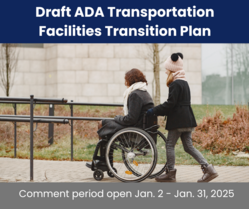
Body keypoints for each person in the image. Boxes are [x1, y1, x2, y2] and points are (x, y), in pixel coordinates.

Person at [146, 52, 218, 183]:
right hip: (187, 119)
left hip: (178, 121)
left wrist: (153, 111)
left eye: (167, 68)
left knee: (169, 145)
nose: (165, 71)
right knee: (188, 146)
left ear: (172, 68)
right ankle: (209, 169)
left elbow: (170, 104)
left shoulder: (175, 84)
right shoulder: (184, 83)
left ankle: (170, 173)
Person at [97, 68, 154, 138]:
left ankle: (104, 148)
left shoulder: (135, 94)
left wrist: (117, 118)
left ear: (130, 80)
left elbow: (131, 119)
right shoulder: (144, 92)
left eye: (126, 80)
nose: (125, 83)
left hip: (135, 130)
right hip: (143, 128)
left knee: (102, 123)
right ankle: (108, 147)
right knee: (107, 122)